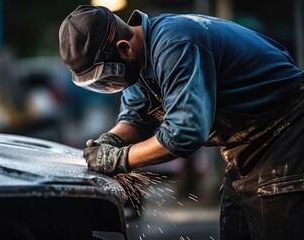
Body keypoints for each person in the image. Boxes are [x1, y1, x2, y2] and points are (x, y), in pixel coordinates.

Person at [58, 5, 304, 239]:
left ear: (124, 48)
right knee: (235, 228)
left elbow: (183, 133)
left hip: (286, 135)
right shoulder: (138, 64)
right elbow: (134, 120)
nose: (109, 86)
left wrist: (119, 159)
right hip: (245, 150)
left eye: (106, 77)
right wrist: (110, 140)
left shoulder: (174, 43)